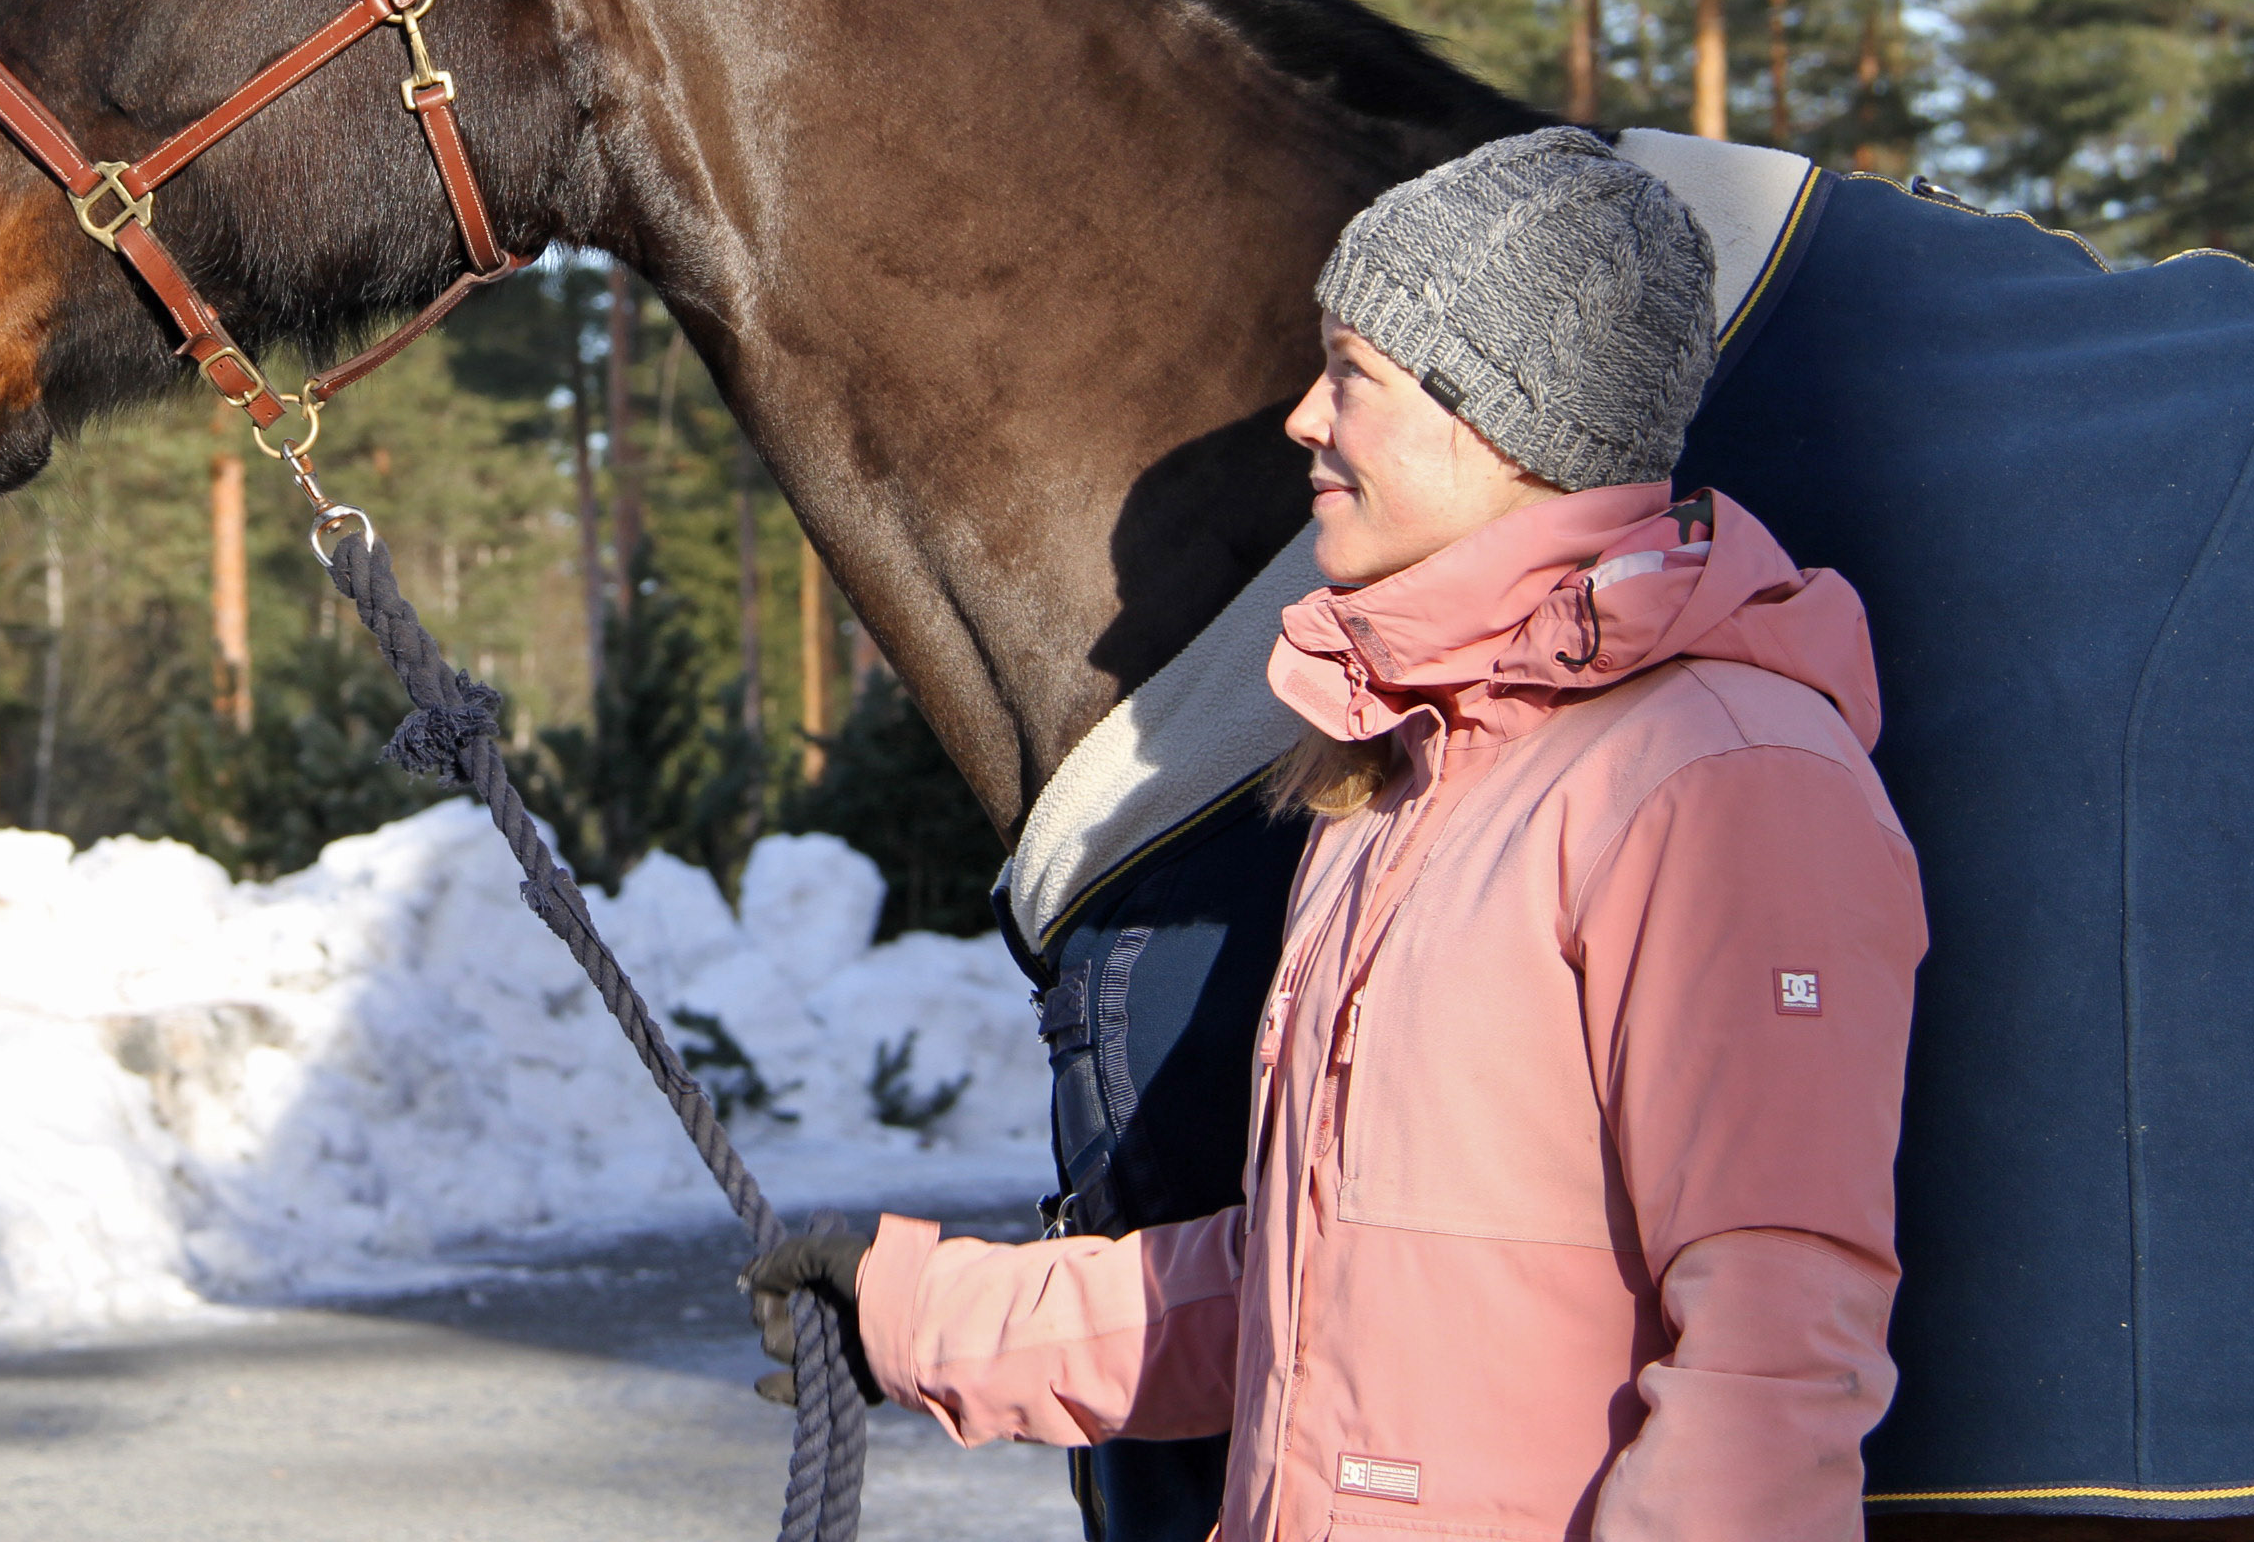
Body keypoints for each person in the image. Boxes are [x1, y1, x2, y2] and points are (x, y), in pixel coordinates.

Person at [744, 127, 1927, 1541]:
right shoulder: (1401, 777)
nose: (1305, 418)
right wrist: (924, 1318)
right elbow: (1309, 1285)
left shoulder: (1724, 779)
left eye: (1352, 375)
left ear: (1502, 415)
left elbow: (1771, 1362)